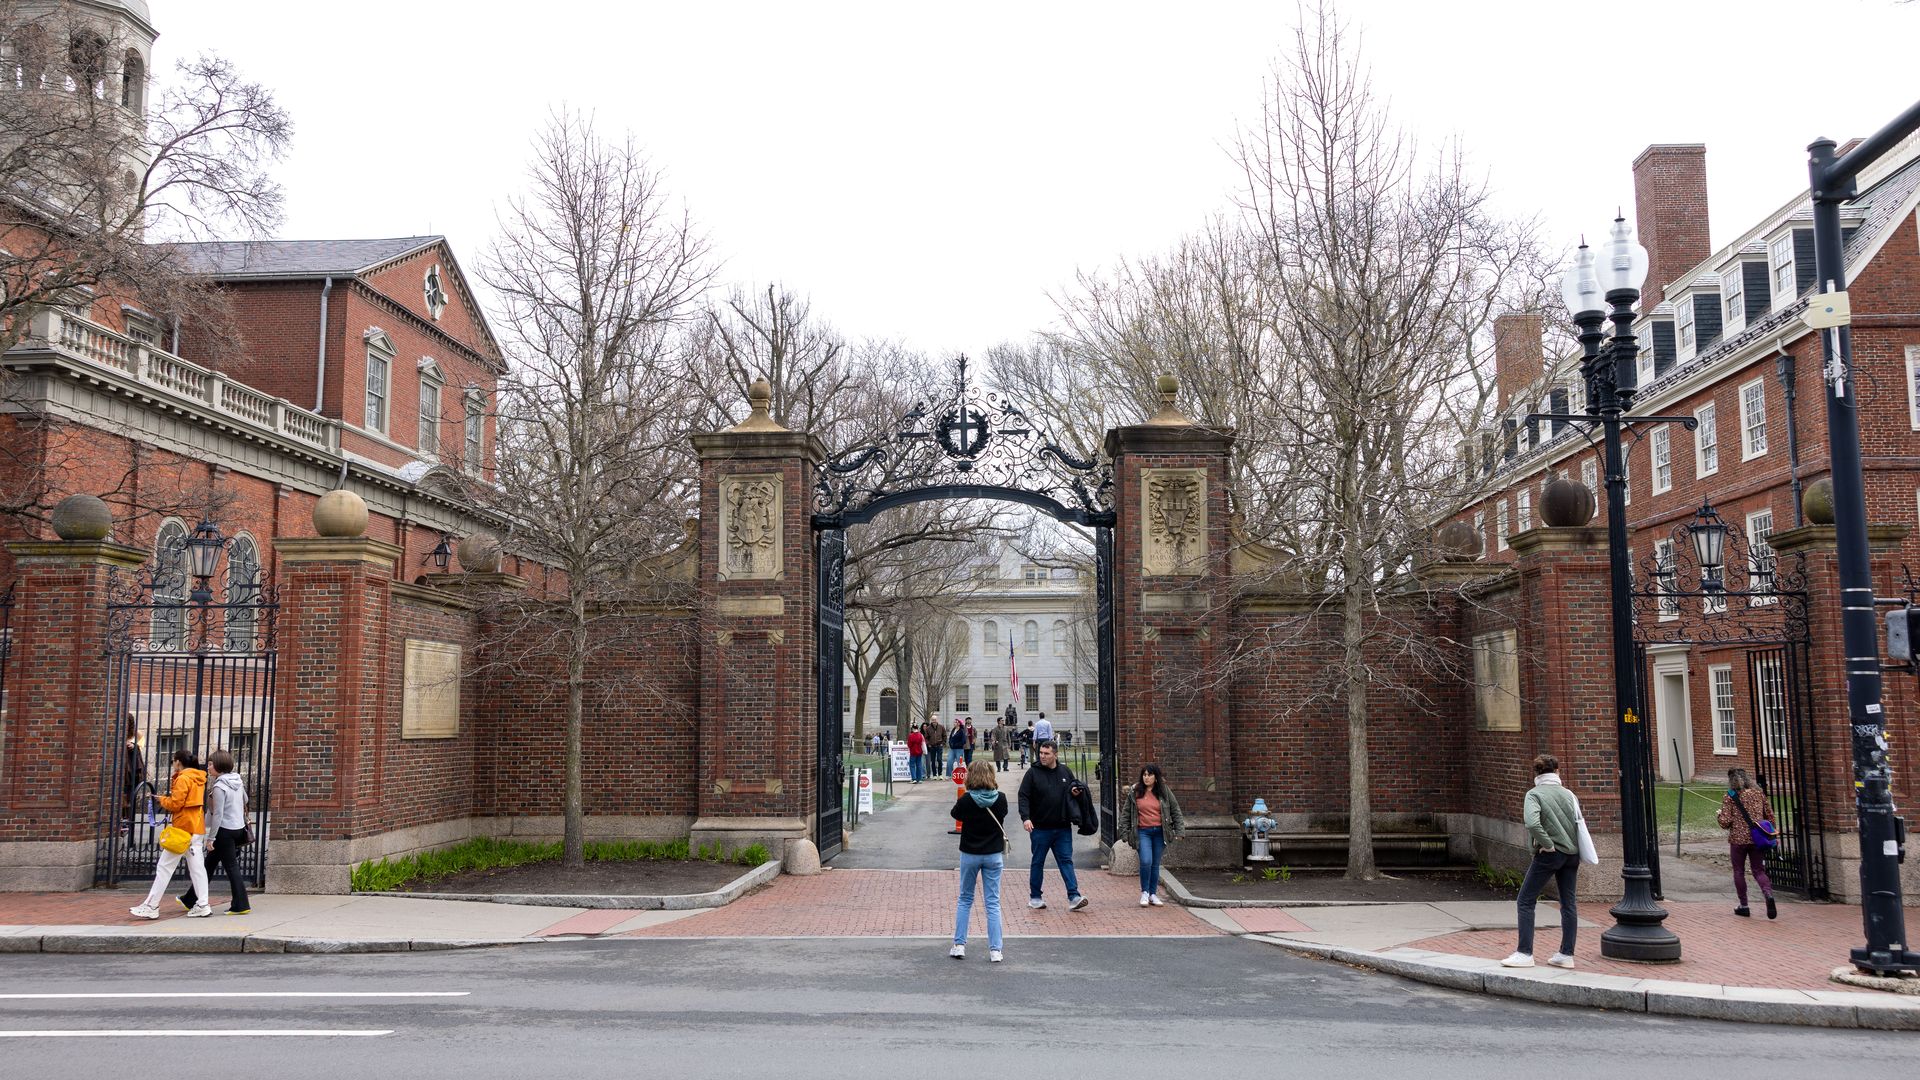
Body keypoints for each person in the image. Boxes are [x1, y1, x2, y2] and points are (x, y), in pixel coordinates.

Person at [1501, 754, 1582, 969]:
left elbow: (1532, 823)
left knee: (1525, 901)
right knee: (1568, 903)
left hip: (1550, 854)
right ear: (1556, 772)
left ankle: (1525, 953)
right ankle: (1566, 954)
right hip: (1572, 854)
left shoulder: (1534, 795)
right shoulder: (1569, 794)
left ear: (1537, 773)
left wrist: (1547, 844)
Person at [130, 749, 209, 920]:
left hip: (183, 828)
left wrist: (161, 800)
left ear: (178, 762)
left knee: (164, 867)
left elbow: (176, 803)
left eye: (173, 761)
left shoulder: (183, 778)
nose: (173, 764)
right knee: (197, 869)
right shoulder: (198, 778)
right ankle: (203, 904)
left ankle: (151, 905)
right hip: (196, 827)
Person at [950, 755, 1009, 963]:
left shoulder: (966, 799)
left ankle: (959, 945)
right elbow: (1004, 813)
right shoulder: (1000, 798)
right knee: (992, 902)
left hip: (970, 853)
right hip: (993, 854)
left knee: (965, 899)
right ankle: (996, 949)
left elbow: (955, 814)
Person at [1018, 740, 1087, 911]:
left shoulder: (1065, 771)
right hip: (1040, 828)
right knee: (1038, 862)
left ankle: (1074, 896)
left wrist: (1075, 792)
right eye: (1041, 753)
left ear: (1055, 754)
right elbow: (1023, 796)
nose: (1042, 756)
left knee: (1066, 861)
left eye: (1046, 753)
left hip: (1062, 827)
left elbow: (1072, 791)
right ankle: (1035, 897)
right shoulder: (1032, 773)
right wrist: (1026, 818)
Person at [181, 750, 250, 915]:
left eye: (211, 764)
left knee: (232, 867)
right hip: (237, 828)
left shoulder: (219, 786)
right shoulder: (237, 781)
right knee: (209, 864)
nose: (208, 767)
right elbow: (245, 800)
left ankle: (241, 904)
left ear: (219, 766)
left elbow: (218, 814)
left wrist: (210, 837)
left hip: (224, 832)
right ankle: (190, 899)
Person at [1118, 763, 1185, 907]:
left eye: (1150, 775)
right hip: (1143, 832)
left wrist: (1180, 831)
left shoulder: (1164, 791)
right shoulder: (1135, 792)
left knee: (1155, 864)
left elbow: (1175, 810)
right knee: (1146, 861)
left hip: (1160, 832)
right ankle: (1144, 892)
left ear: (1156, 777)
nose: (1146, 778)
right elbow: (1126, 813)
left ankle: (1153, 894)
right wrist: (1123, 832)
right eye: (1144, 775)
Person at [1717, 768, 1778, 919]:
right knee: (1759, 870)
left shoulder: (1730, 796)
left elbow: (1725, 822)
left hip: (1738, 840)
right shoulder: (1758, 794)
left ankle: (1744, 905)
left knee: (1739, 871)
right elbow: (1770, 815)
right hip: (1757, 838)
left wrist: (1718, 816)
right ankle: (1768, 894)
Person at [120, 717, 145, 837]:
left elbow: (142, 741)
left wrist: (134, 745)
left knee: (128, 796)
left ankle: (126, 822)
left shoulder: (135, 733)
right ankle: (122, 821)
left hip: (130, 763)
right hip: (122, 763)